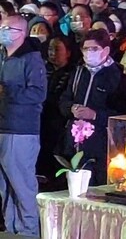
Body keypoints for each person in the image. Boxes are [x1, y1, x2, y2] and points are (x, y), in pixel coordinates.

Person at [58, 29, 126, 185]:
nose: (89, 52)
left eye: (94, 49)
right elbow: (63, 99)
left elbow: (124, 114)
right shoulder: (78, 71)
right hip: (74, 143)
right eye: (86, 48)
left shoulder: (118, 76)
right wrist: (71, 109)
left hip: (101, 144)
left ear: (106, 50)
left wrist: (96, 115)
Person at [0, 15, 47, 237]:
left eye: (8, 29)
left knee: (22, 185)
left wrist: (7, 92)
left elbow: (38, 93)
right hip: (2, 125)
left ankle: (29, 231)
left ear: (22, 33)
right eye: (2, 28)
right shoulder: (2, 56)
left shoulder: (31, 58)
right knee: (4, 187)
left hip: (21, 129)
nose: (3, 32)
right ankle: (11, 229)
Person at [37, 36, 74, 190]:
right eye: (51, 49)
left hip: (59, 124)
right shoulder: (42, 69)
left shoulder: (73, 72)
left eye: (57, 49)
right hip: (40, 121)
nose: (53, 53)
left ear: (68, 52)